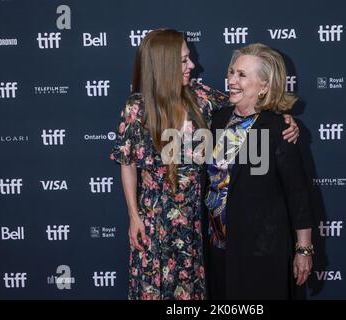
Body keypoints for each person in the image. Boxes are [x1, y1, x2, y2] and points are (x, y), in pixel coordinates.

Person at [110, 29, 299, 300]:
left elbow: (251, 105)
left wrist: (286, 120)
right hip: (154, 222)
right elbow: (126, 162)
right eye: (184, 61)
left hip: (197, 223)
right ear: (164, 65)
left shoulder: (203, 98)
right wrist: (133, 216)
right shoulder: (137, 108)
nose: (192, 66)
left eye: (189, 59)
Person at [205, 43, 314, 300]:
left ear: (264, 86)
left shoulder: (278, 129)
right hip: (218, 249)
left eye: (242, 75)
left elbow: (298, 195)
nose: (231, 80)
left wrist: (304, 249)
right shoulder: (217, 120)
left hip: (261, 252)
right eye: (232, 72)